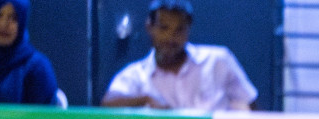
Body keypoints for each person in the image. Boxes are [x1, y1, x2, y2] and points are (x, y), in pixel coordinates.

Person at [102, 0, 256, 112]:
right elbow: (107, 103)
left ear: (189, 30)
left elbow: (251, 104)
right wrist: (145, 99)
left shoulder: (218, 61)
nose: (171, 37)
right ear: (149, 27)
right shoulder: (136, 75)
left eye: (179, 30)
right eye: (163, 28)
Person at [0, 1, 57, 105]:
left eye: (13, 18)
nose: (4, 24)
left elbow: (46, 118)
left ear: (22, 23)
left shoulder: (37, 67)